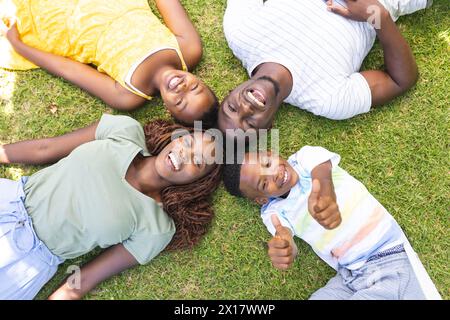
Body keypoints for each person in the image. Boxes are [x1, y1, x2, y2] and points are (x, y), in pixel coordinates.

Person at [0, 114, 222, 299]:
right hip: (10, 199)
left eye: (198, 162)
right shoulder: (124, 131)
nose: (185, 155)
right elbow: (45, 148)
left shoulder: (156, 228)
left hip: (27, 263)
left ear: (198, 183)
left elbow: (83, 280)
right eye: (188, 142)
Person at [222, 146, 441, 299]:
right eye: (264, 182)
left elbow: (322, 167)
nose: (275, 174)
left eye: (268, 163)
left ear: (271, 153)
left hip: (387, 256)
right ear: (261, 199)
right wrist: (285, 244)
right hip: (349, 277)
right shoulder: (273, 210)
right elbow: (283, 231)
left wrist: (324, 191)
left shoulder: (305, 159)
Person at [219, 0, 432, 132]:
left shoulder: (240, 33)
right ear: (268, 126)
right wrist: (377, 15)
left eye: (232, 108)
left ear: (230, 93)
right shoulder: (327, 99)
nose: (246, 108)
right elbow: (401, 80)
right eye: (250, 123)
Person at [0, 0, 219, 127]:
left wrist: (18, 45)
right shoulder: (189, 50)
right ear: (200, 79)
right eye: (194, 88)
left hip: (73, 23)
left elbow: (69, 69)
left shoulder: (129, 96)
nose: (182, 89)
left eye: (180, 102)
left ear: (168, 110)